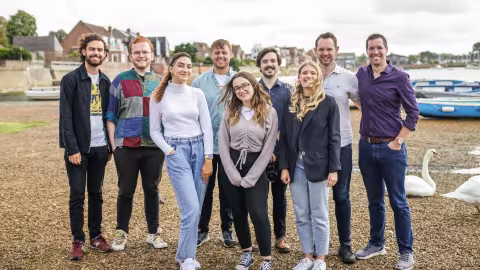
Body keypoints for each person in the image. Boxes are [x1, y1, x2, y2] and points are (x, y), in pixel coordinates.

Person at [354, 33, 419, 270]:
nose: (375, 52)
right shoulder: (361, 75)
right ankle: (376, 243)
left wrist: (398, 141)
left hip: (391, 148)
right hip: (365, 146)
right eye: (371, 48)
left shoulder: (400, 77)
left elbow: (413, 113)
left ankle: (406, 252)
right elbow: (358, 99)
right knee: (374, 200)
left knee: (398, 201)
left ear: (386, 50)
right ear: (367, 51)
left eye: (379, 48)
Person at [150, 52, 213, 270]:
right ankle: (187, 259)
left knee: (196, 207)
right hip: (177, 152)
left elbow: (207, 128)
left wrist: (209, 158)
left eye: (188, 65)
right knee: (191, 207)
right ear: (171, 68)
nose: (185, 69)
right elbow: (155, 131)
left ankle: (184, 256)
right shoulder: (159, 96)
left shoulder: (197, 94)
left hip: (200, 150)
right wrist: (170, 151)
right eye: (181, 65)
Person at [106, 36, 167, 251]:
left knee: (152, 189)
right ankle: (121, 233)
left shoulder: (161, 81)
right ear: (131, 55)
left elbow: (168, 116)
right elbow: (111, 115)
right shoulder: (120, 80)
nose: (141, 56)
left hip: (153, 146)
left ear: (152, 55)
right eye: (137, 52)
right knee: (125, 191)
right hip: (126, 146)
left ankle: (153, 233)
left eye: (145, 52)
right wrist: (114, 146)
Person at [279, 61, 341, 270]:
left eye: (312, 73)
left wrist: (334, 169)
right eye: (304, 72)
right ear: (299, 77)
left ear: (318, 77)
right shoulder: (291, 104)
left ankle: (320, 259)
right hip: (296, 168)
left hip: (319, 166)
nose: (307, 76)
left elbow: (335, 138)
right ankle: (307, 256)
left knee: (320, 213)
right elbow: (285, 138)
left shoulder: (328, 103)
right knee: (301, 213)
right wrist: (285, 167)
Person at [60, 33, 113, 260]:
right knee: (77, 195)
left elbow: (109, 116)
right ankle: (77, 240)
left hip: (101, 147)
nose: (96, 53)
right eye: (92, 49)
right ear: (83, 51)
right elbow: (66, 117)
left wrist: (111, 146)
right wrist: (72, 148)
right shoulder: (71, 80)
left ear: (104, 54)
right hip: (79, 149)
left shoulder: (106, 82)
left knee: (96, 193)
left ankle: (95, 236)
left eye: (100, 50)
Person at [218, 72, 278, 270]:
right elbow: (223, 143)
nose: (241, 90)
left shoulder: (269, 112)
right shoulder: (230, 110)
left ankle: (266, 259)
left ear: (253, 85)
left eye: (245, 85)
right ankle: (246, 254)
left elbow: (269, 147)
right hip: (232, 166)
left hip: (256, 166)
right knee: (238, 212)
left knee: (258, 212)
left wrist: (251, 177)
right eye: (237, 88)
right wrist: (232, 174)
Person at [314, 32, 361, 264]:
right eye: (321, 49)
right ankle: (318, 243)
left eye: (329, 49)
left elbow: (365, 105)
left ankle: (345, 245)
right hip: (315, 149)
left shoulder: (349, 78)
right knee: (317, 198)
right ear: (315, 51)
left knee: (341, 196)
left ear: (336, 50)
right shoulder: (308, 76)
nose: (325, 53)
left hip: (342, 145)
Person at [192, 39, 236, 248]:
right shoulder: (199, 82)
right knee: (204, 189)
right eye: (217, 53)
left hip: (231, 146)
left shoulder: (238, 80)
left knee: (228, 190)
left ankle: (227, 230)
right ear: (212, 55)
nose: (221, 56)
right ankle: (202, 230)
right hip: (205, 147)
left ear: (230, 54)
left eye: (224, 52)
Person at [256, 47, 291, 253]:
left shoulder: (288, 90)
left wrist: (280, 150)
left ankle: (280, 236)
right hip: (258, 153)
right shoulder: (252, 90)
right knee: (257, 198)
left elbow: (289, 125)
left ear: (278, 64)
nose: (269, 64)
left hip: (282, 153)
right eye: (265, 61)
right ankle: (260, 236)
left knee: (280, 196)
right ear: (259, 66)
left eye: (273, 61)